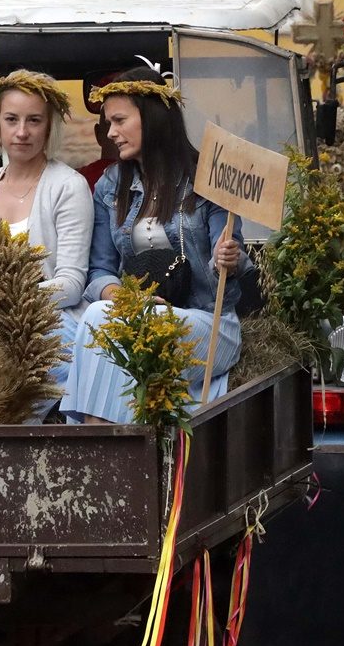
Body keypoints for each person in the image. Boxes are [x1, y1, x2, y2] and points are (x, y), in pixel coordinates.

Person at [61, 68, 247, 424]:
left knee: (99, 318)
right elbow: (98, 270)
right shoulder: (110, 186)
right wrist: (126, 298)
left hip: (208, 324)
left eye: (119, 120)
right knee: (89, 319)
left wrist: (227, 257)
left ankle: (97, 449)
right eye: (108, 122)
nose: (110, 132)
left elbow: (230, 255)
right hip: (139, 317)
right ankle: (103, 442)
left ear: (152, 119)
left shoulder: (206, 176)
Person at [0, 71, 94, 413]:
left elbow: (70, 284)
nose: (22, 132)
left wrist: (8, 301)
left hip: (49, 322)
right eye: (12, 119)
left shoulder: (68, 186)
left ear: (49, 126)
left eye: (34, 120)